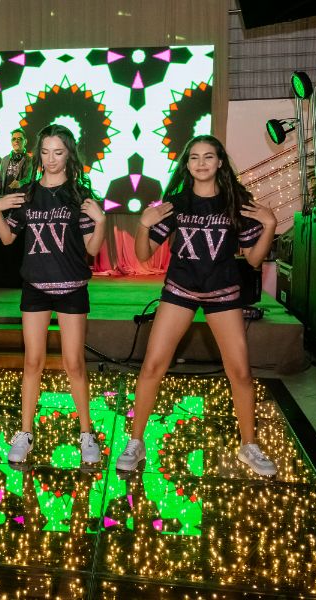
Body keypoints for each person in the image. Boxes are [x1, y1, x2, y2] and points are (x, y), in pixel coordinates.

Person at [114, 134, 278, 477]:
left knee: (241, 372)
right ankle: (136, 441)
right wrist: (143, 225)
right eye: (194, 158)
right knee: (152, 366)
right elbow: (143, 255)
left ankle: (248, 445)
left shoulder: (236, 203)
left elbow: (253, 260)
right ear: (187, 165)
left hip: (223, 294)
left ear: (220, 163)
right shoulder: (177, 203)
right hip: (181, 290)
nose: (201, 163)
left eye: (208, 157)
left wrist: (270, 226)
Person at [0, 124, 107, 465]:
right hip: (35, 288)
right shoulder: (28, 193)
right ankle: (25, 432)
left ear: (69, 154)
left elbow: (92, 249)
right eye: (45, 152)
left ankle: (86, 433)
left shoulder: (79, 194)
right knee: (32, 361)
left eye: (58, 152)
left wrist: (101, 223)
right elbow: (7, 239)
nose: (51, 159)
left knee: (74, 363)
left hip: (72, 287)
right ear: (38, 154)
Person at [0, 128, 33, 196]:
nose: (16, 141)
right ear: (11, 142)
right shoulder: (4, 159)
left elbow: (29, 178)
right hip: (5, 198)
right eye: (14, 139)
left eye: (19, 139)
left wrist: (20, 183)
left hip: (21, 198)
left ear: (25, 141)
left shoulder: (29, 160)